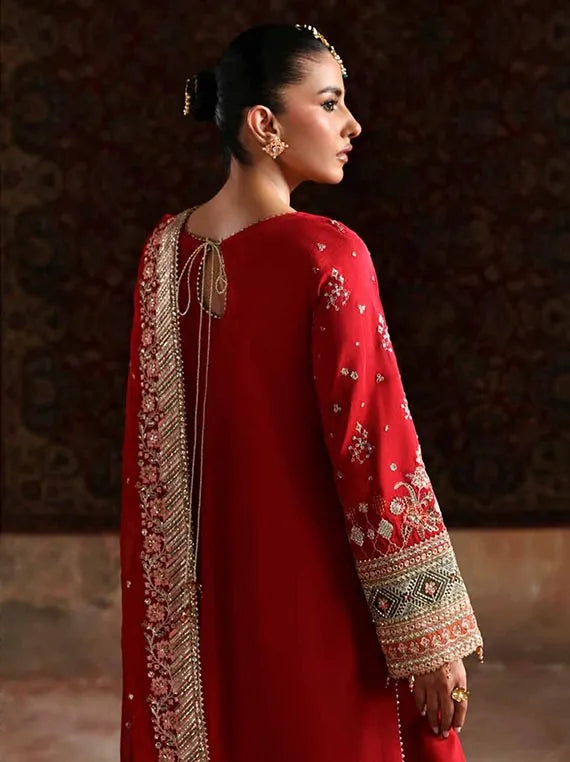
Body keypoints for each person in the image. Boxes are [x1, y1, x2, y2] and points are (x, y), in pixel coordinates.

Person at [120, 23, 483, 762]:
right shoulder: (327, 254)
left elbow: (150, 468)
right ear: (264, 124)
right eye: (329, 102)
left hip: (195, 626)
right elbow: (375, 450)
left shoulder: (162, 255)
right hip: (319, 607)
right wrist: (429, 638)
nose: (352, 125)